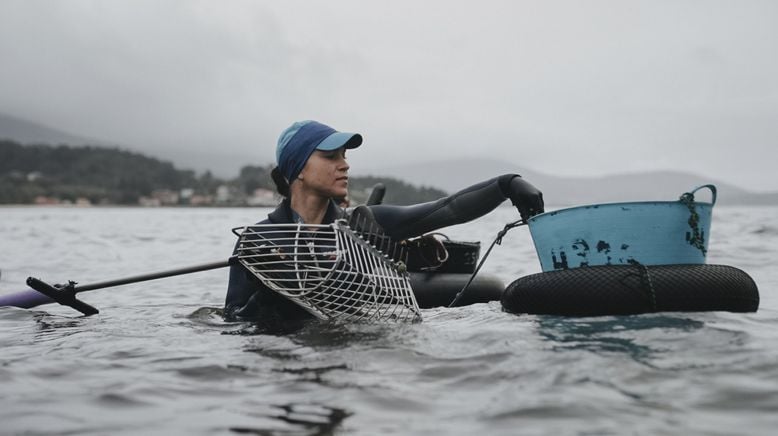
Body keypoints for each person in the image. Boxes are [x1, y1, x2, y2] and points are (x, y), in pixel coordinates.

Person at [224, 120, 544, 323]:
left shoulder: (362, 225)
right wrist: (267, 296)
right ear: (298, 169)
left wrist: (506, 185)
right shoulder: (259, 242)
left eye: (345, 156)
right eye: (331, 156)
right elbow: (233, 323)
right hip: (282, 371)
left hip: (353, 366)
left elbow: (448, 208)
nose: (344, 165)